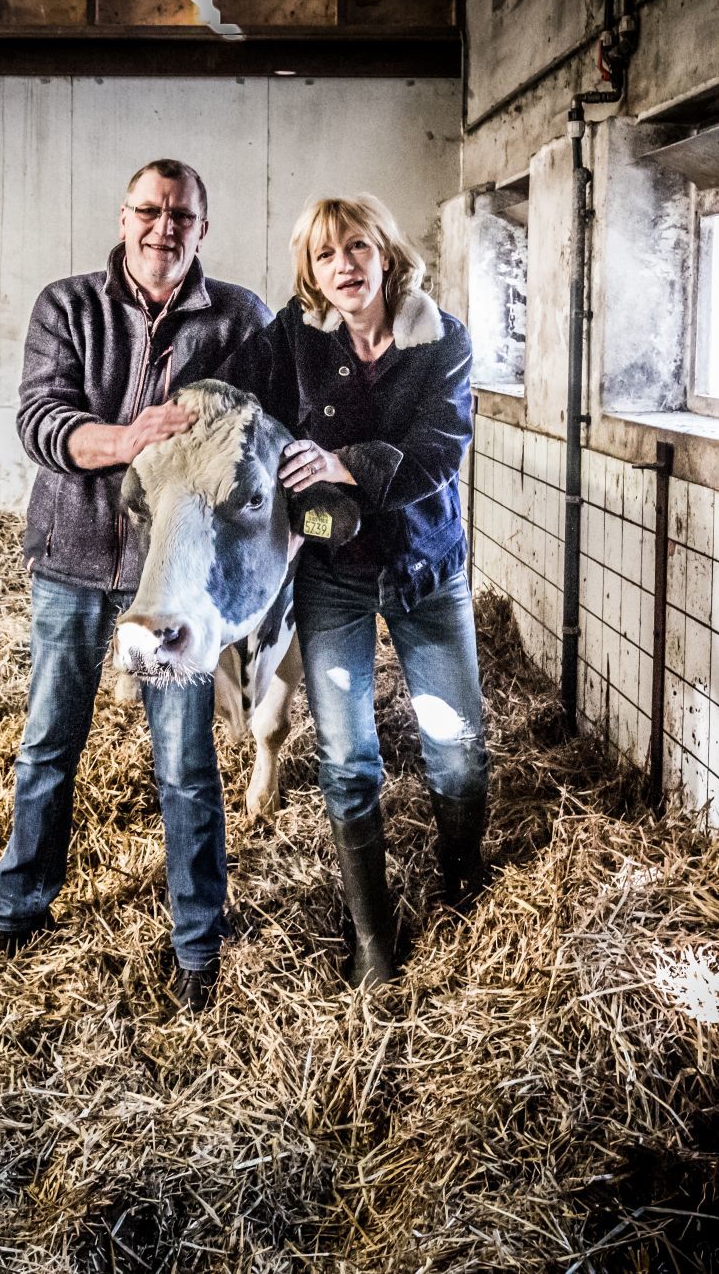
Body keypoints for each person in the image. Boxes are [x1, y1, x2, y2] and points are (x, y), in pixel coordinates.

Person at [0, 159, 271, 1014]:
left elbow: (257, 429)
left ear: (202, 228)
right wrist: (130, 438)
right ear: (122, 218)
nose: (163, 228)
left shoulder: (239, 319)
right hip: (73, 558)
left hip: (174, 579)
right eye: (148, 211)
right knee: (48, 743)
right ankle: (20, 912)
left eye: (181, 215)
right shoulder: (67, 306)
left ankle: (197, 944)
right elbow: (41, 421)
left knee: (185, 761)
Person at [220, 194, 487, 986]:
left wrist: (346, 463)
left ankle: (462, 879)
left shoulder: (442, 339)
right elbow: (235, 399)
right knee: (347, 758)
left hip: (424, 566)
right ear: (311, 270)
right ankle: (373, 939)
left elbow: (441, 449)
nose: (344, 265)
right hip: (332, 571)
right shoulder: (293, 340)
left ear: (386, 253)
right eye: (326, 254)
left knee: (458, 753)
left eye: (358, 248)